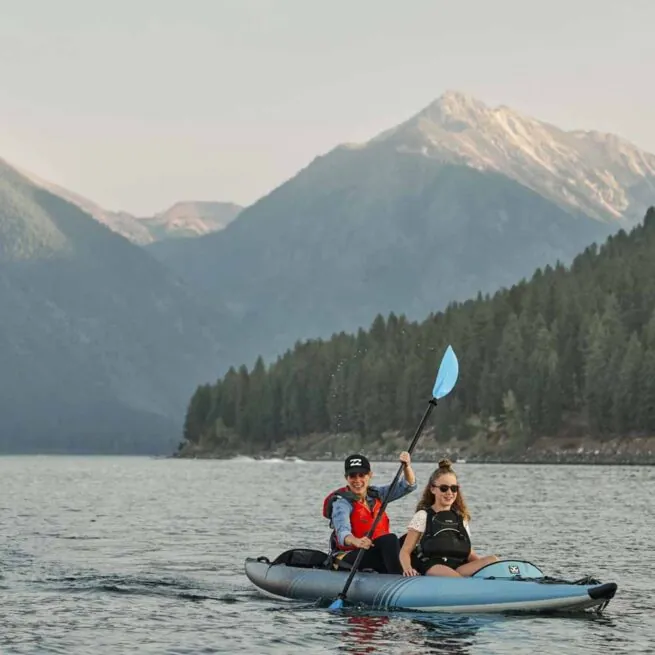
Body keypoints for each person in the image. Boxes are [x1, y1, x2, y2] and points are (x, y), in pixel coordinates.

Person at [399, 458, 499, 577]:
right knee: (454, 576)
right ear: (432, 489)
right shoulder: (423, 516)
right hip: (434, 566)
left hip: (459, 567)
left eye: (454, 488)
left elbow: (469, 552)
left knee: (493, 560)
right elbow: (405, 551)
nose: (449, 492)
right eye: (444, 488)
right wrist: (408, 568)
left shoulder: (461, 517)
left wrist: (484, 567)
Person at [323, 451, 416, 574]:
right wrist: (356, 541)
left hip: (375, 551)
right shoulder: (341, 503)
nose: (357, 480)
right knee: (390, 539)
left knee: (410, 539)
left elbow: (408, 486)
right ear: (347, 478)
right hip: (351, 555)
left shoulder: (377, 494)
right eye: (353, 476)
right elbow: (342, 532)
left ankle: (415, 573)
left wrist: (407, 467)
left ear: (370, 475)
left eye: (362, 475)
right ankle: (399, 578)